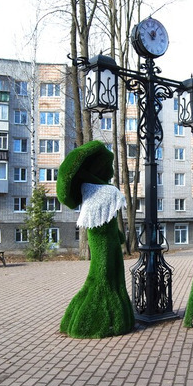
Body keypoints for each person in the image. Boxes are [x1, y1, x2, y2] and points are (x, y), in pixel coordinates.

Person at [57, 140, 135, 338]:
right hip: (103, 241)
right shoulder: (99, 190)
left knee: (111, 275)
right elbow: (101, 221)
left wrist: (118, 236)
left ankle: (113, 316)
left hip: (108, 239)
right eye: (108, 167)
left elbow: (107, 220)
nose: (111, 172)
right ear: (100, 168)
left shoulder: (94, 188)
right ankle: (90, 321)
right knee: (102, 275)